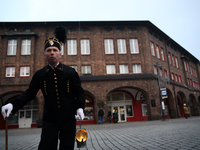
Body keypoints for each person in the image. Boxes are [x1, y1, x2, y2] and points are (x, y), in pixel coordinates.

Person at [1, 26, 85, 150]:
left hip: (68, 119)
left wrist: (80, 108)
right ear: (45, 54)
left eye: (55, 50)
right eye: (49, 50)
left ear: (60, 54)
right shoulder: (40, 74)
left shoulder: (70, 72)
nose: (52, 52)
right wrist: (13, 105)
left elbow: (79, 92)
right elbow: (29, 94)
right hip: (49, 119)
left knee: (67, 147)